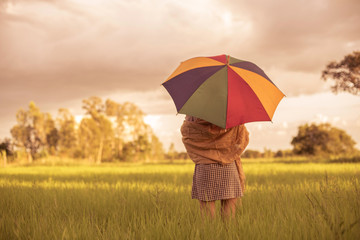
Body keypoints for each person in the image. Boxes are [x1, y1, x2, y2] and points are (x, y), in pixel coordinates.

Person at [181, 115, 249, 220]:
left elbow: (186, 134)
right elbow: (242, 139)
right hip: (228, 164)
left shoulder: (193, 114)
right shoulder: (232, 114)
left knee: (207, 212)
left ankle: (210, 235)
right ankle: (227, 235)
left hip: (205, 167)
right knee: (229, 213)